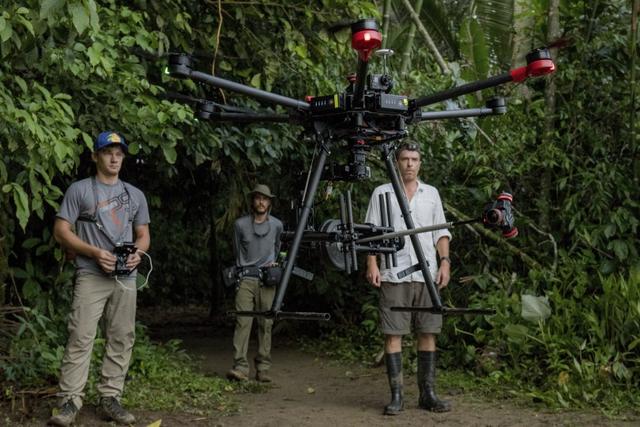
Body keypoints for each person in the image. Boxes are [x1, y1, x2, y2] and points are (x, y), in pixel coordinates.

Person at [49, 131, 150, 427]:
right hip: (90, 274)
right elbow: (61, 231)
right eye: (108, 152)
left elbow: (143, 236)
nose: (114, 158)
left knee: (122, 336)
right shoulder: (79, 190)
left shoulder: (135, 195)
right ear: (95, 156)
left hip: (125, 277)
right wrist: (93, 252)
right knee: (80, 336)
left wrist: (137, 254)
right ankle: (69, 401)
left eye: (119, 153)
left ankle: (110, 397)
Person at [365, 142, 452, 415]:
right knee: (393, 334)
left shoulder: (431, 194)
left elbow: (441, 233)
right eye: (405, 159)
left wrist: (445, 263)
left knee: (428, 332)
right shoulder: (382, 193)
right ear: (397, 162)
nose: (410, 164)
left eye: (414, 159)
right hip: (393, 273)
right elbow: (370, 233)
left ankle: (427, 394)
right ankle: (397, 396)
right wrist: (372, 263)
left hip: (426, 272)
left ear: (420, 163)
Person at [227, 184, 283, 383]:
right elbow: (236, 249)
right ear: (253, 201)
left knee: (265, 323)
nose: (261, 202)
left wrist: (271, 264)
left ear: (269, 202)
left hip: (267, 278)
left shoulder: (277, 225)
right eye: (258, 198)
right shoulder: (240, 225)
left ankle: (263, 367)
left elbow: (277, 247)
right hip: (246, 278)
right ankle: (240, 366)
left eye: (265, 198)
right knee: (243, 320)